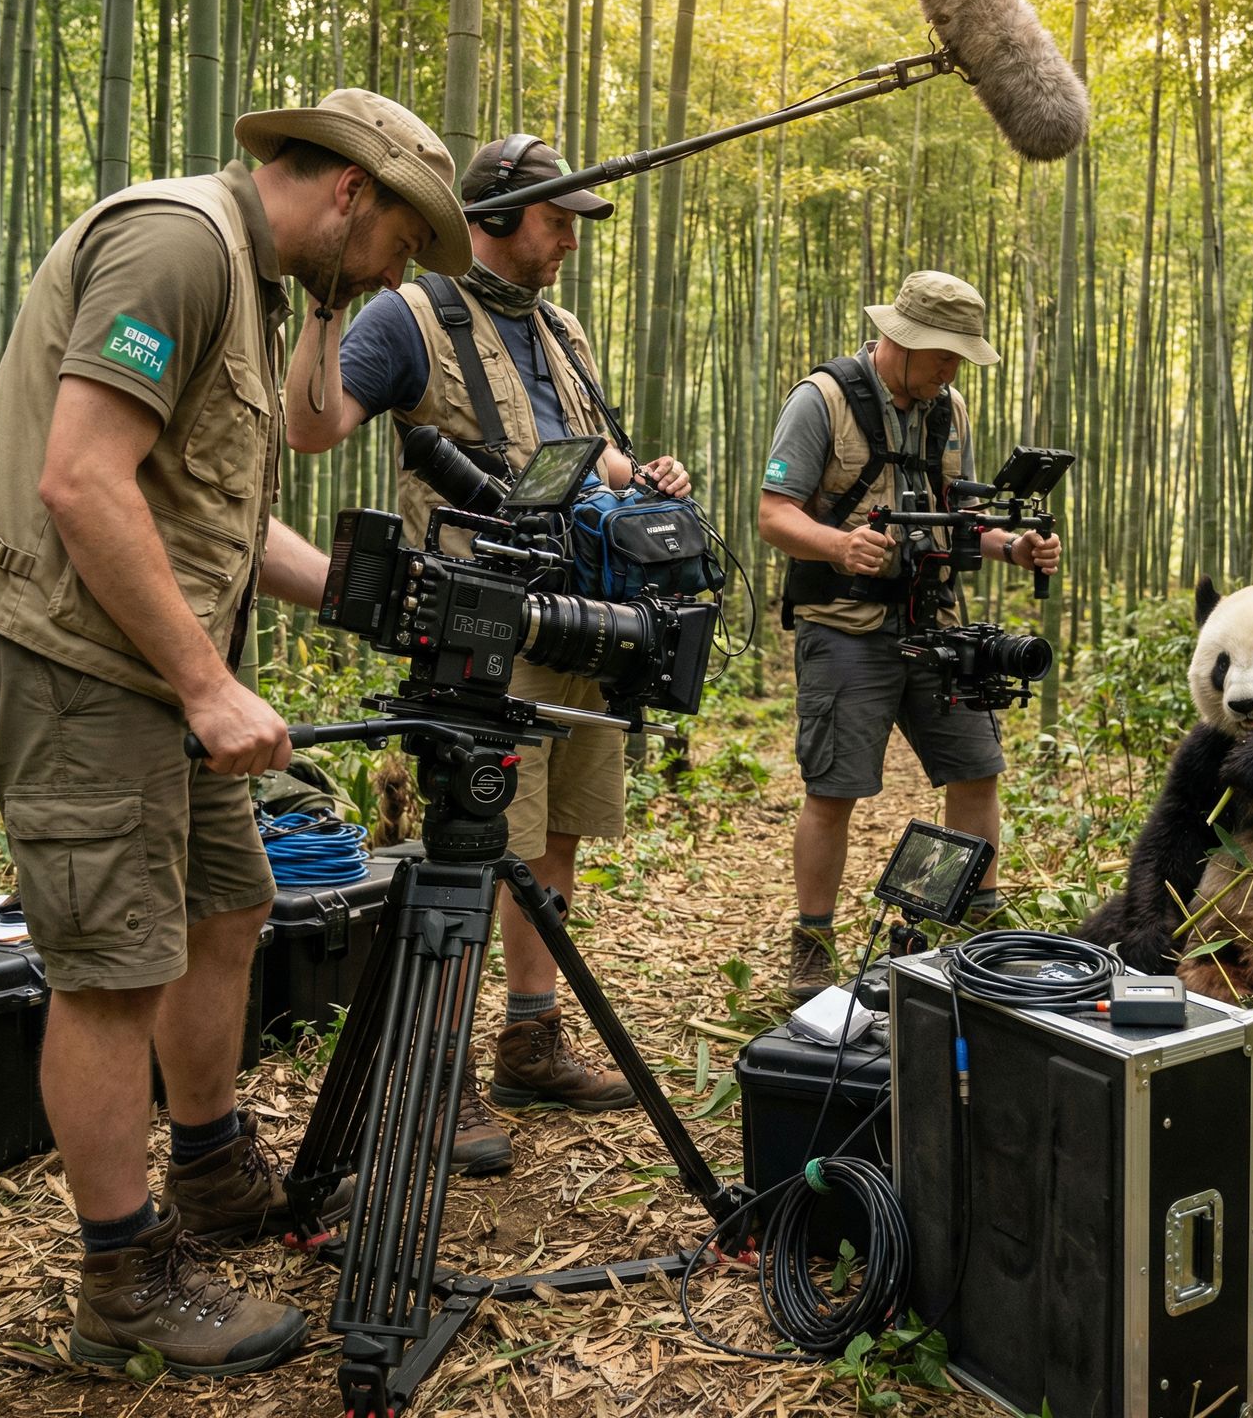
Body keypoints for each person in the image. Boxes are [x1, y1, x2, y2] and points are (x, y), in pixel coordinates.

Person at [0, 89, 470, 1377]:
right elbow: (80, 476)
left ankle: (215, 1165)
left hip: (143, 653)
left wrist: (370, 601)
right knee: (114, 963)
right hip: (65, 649)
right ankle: (121, 1278)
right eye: (405, 239)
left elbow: (217, 516)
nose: (403, 272)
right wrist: (206, 684)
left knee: (229, 904)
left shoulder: (260, 282)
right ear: (351, 190)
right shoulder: (180, 245)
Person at [284, 132, 692, 1176]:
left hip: (580, 618)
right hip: (475, 626)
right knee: (465, 848)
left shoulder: (564, 329)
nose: (567, 244)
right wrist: (324, 299)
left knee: (552, 837)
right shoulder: (408, 313)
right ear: (498, 216)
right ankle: (431, 1076)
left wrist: (642, 476)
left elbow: (587, 449)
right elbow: (317, 425)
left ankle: (528, 1037)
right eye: (558, 222)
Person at [758, 270, 1062, 999]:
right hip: (846, 625)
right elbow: (774, 515)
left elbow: (958, 516)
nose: (953, 369)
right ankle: (813, 939)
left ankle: (976, 922)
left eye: (961, 356)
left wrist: (1010, 547)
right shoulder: (821, 400)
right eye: (944, 354)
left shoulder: (946, 407)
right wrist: (837, 546)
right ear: (901, 338)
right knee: (835, 787)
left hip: (937, 620)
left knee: (976, 765)